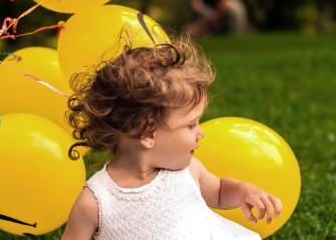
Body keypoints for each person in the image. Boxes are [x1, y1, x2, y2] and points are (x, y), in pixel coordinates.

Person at [60, 38, 282, 240]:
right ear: (148, 133)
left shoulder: (186, 171)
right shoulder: (95, 202)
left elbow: (220, 191)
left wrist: (245, 192)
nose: (200, 132)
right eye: (190, 125)